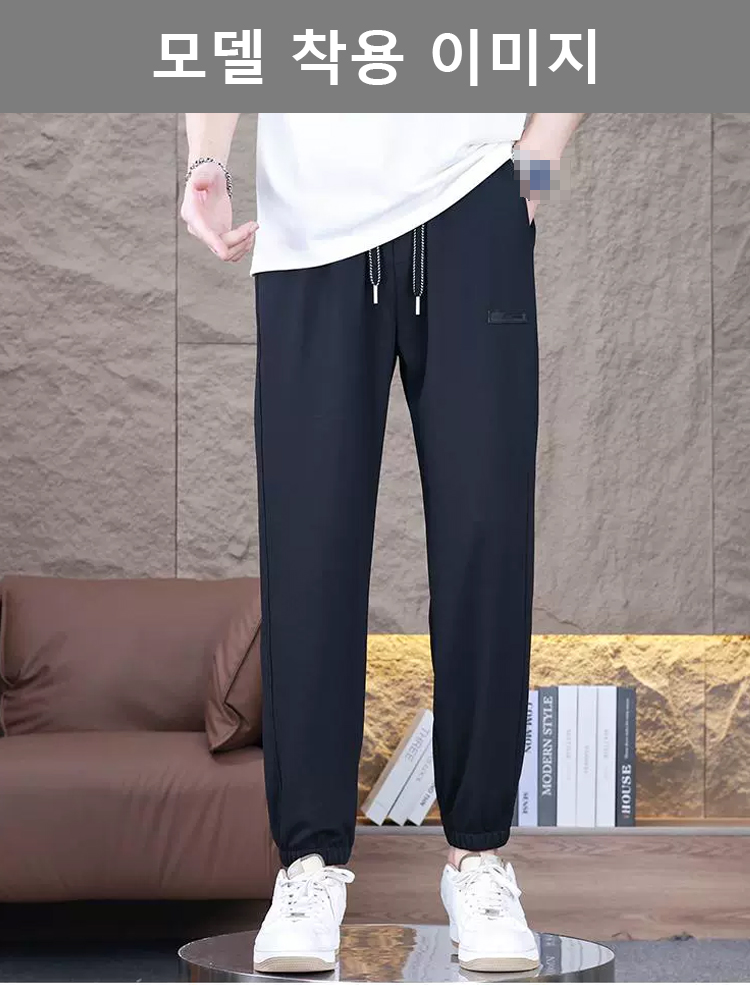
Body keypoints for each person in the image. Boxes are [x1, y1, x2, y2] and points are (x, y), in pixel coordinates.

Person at [180, 112, 584, 975]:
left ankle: (479, 859)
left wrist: (534, 175)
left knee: (486, 542)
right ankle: (308, 866)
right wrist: (206, 158)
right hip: (312, 228)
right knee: (309, 551)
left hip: (474, 205)